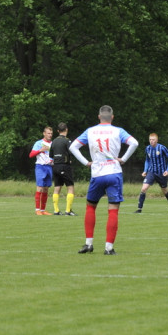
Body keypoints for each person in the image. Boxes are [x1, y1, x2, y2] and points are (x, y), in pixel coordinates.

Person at [69, 106, 139, 254]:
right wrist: (123, 159)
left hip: (97, 173)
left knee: (90, 206)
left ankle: (88, 244)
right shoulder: (118, 131)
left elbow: (73, 147)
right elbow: (135, 143)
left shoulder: (90, 131)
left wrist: (86, 162)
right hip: (114, 173)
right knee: (113, 210)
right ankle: (108, 247)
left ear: (99, 117)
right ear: (112, 117)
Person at [136, 133, 168, 214]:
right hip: (151, 172)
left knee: (165, 191)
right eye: (150, 139)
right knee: (143, 189)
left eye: (153, 139)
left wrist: (167, 170)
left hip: (161, 173)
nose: (151, 141)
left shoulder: (162, 148)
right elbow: (147, 160)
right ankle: (139, 209)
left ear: (156, 140)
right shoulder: (148, 148)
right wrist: (145, 170)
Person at [49, 122, 76, 216]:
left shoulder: (54, 141)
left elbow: (51, 155)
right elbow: (72, 152)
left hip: (55, 166)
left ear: (57, 131)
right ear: (66, 130)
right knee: (70, 187)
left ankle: (56, 210)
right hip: (64, 166)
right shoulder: (67, 141)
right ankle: (68, 211)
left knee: (57, 188)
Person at [29, 126, 54, 216]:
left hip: (49, 167)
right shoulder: (39, 143)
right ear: (44, 133)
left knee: (46, 189)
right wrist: (40, 150)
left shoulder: (53, 144)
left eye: (51, 133)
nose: (50, 135)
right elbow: (31, 155)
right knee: (39, 187)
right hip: (40, 167)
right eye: (48, 133)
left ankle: (43, 210)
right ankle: (37, 209)